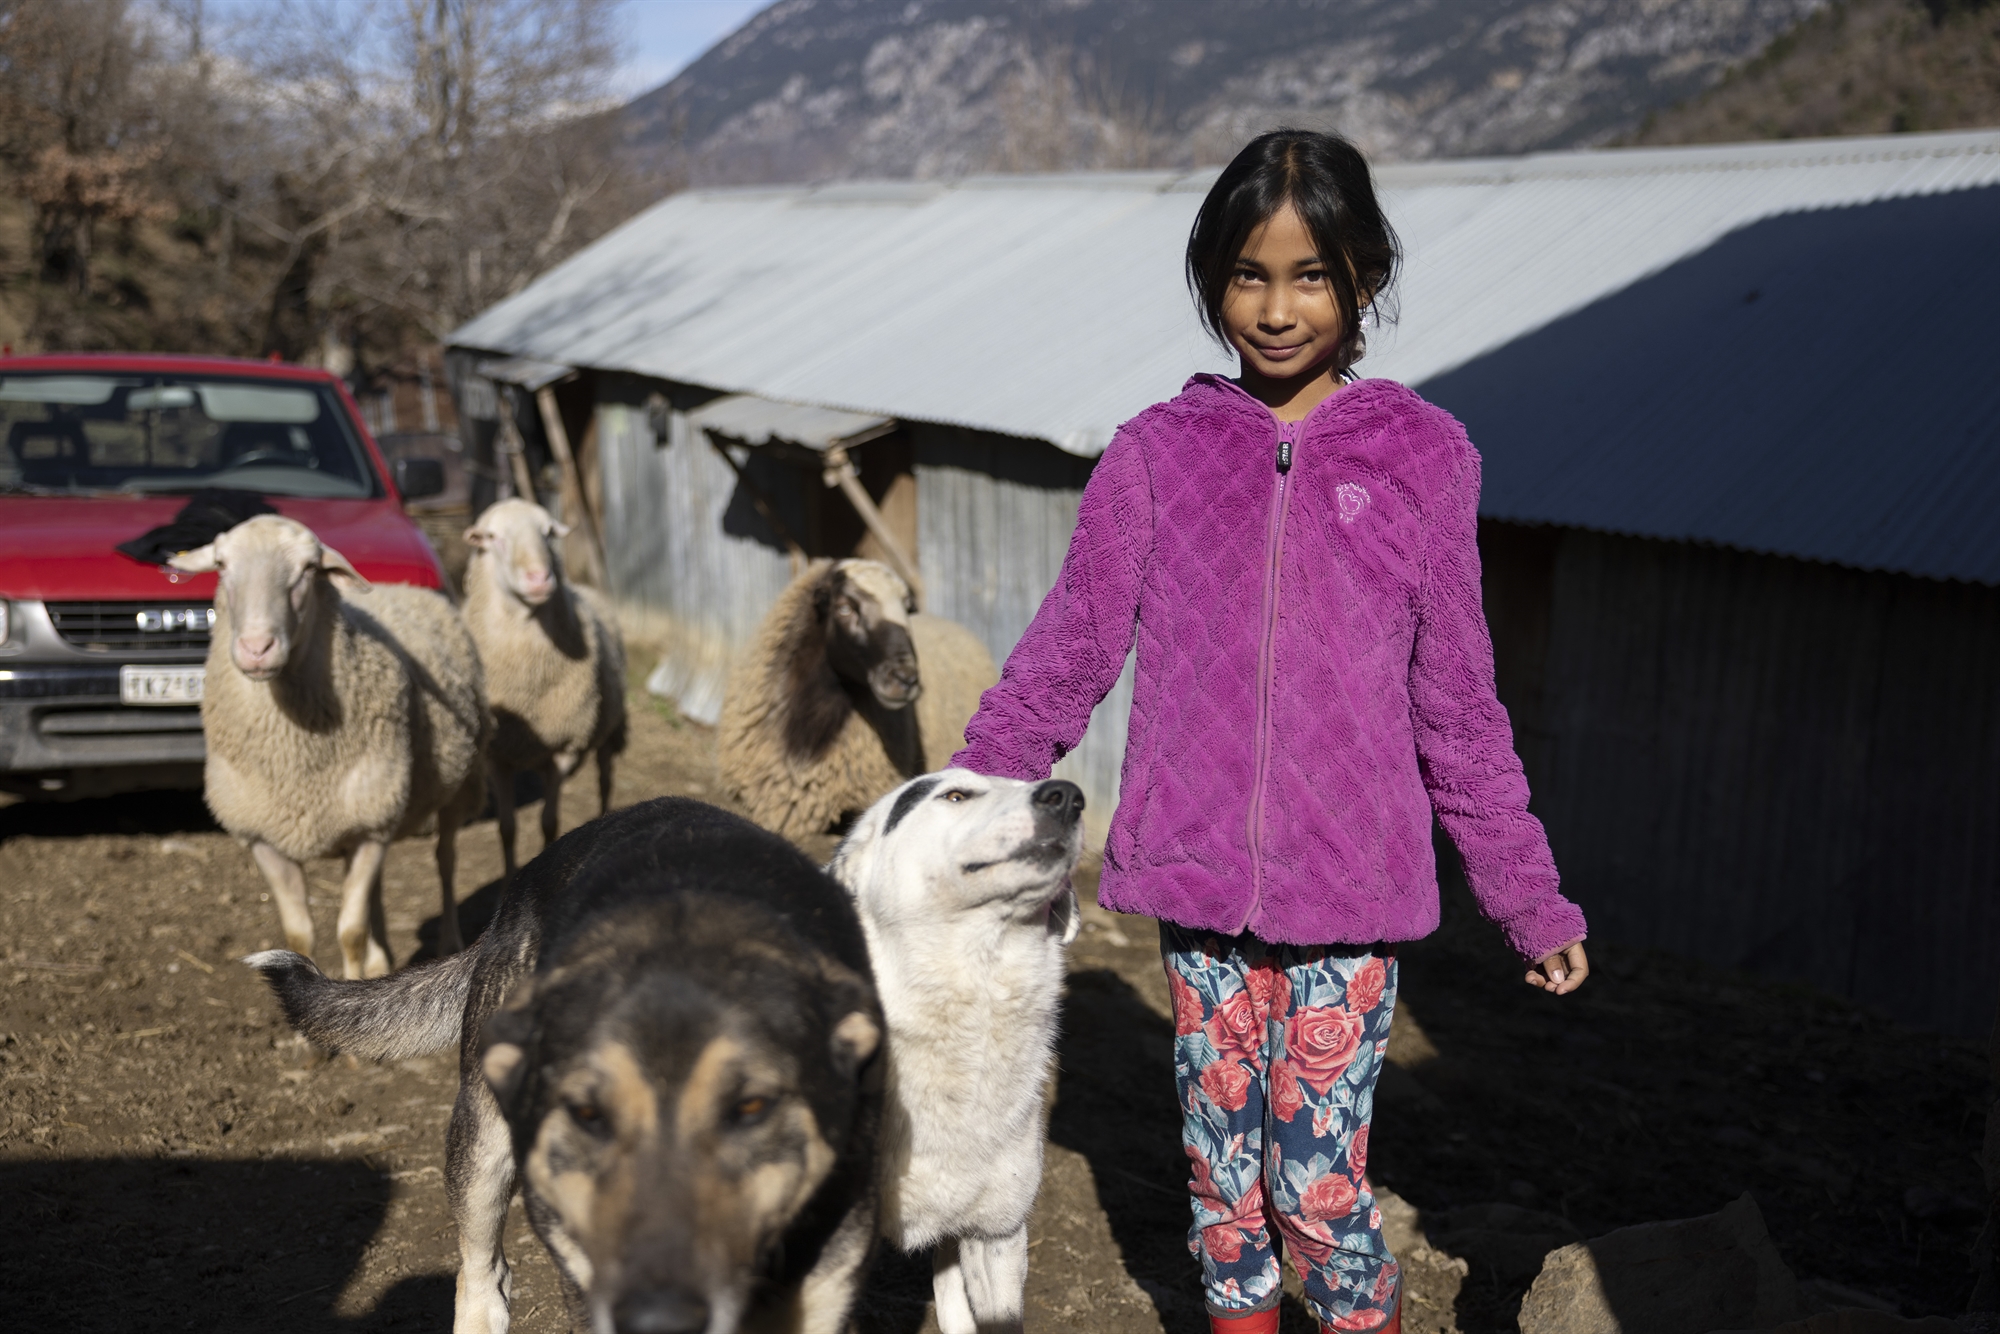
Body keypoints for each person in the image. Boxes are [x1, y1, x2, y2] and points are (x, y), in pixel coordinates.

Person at [951, 128, 1591, 1334]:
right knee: (1222, 1193)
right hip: (1199, 891)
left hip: (1349, 897)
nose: (1278, 306)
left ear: (1361, 279)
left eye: (1311, 274)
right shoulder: (1154, 456)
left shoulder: (1422, 459)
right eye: (1248, 273)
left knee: (1317, 1188)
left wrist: (1528, 895)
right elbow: (1069, 648)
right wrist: (960, 799)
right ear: (1210, 280)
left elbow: (1456, 701)